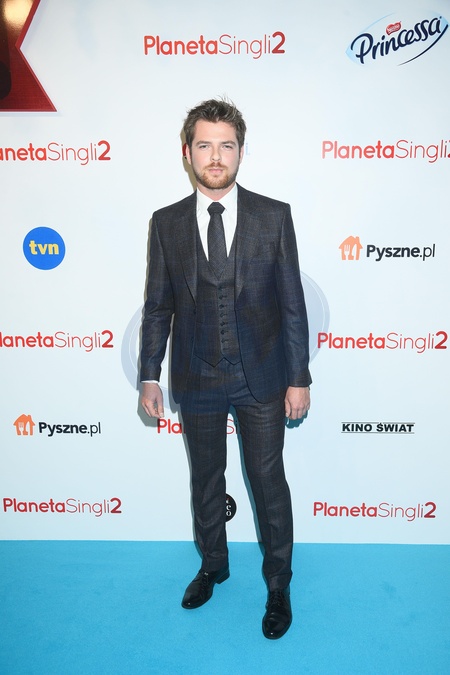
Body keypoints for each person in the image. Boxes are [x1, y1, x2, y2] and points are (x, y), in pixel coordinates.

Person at [140, 98, 311, 640]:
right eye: (205, 145)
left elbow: (292, 304)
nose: (216, 156)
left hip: (261, 375)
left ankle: (278, 585)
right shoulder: (166, 222)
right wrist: (149, 374)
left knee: (267, 481)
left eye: (227, 145)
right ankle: (213, 564)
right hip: (196, 376)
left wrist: (299, 378)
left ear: (241, 151)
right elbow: (157, 306)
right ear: (187, 152)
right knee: (206, 478)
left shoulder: (273, 215)